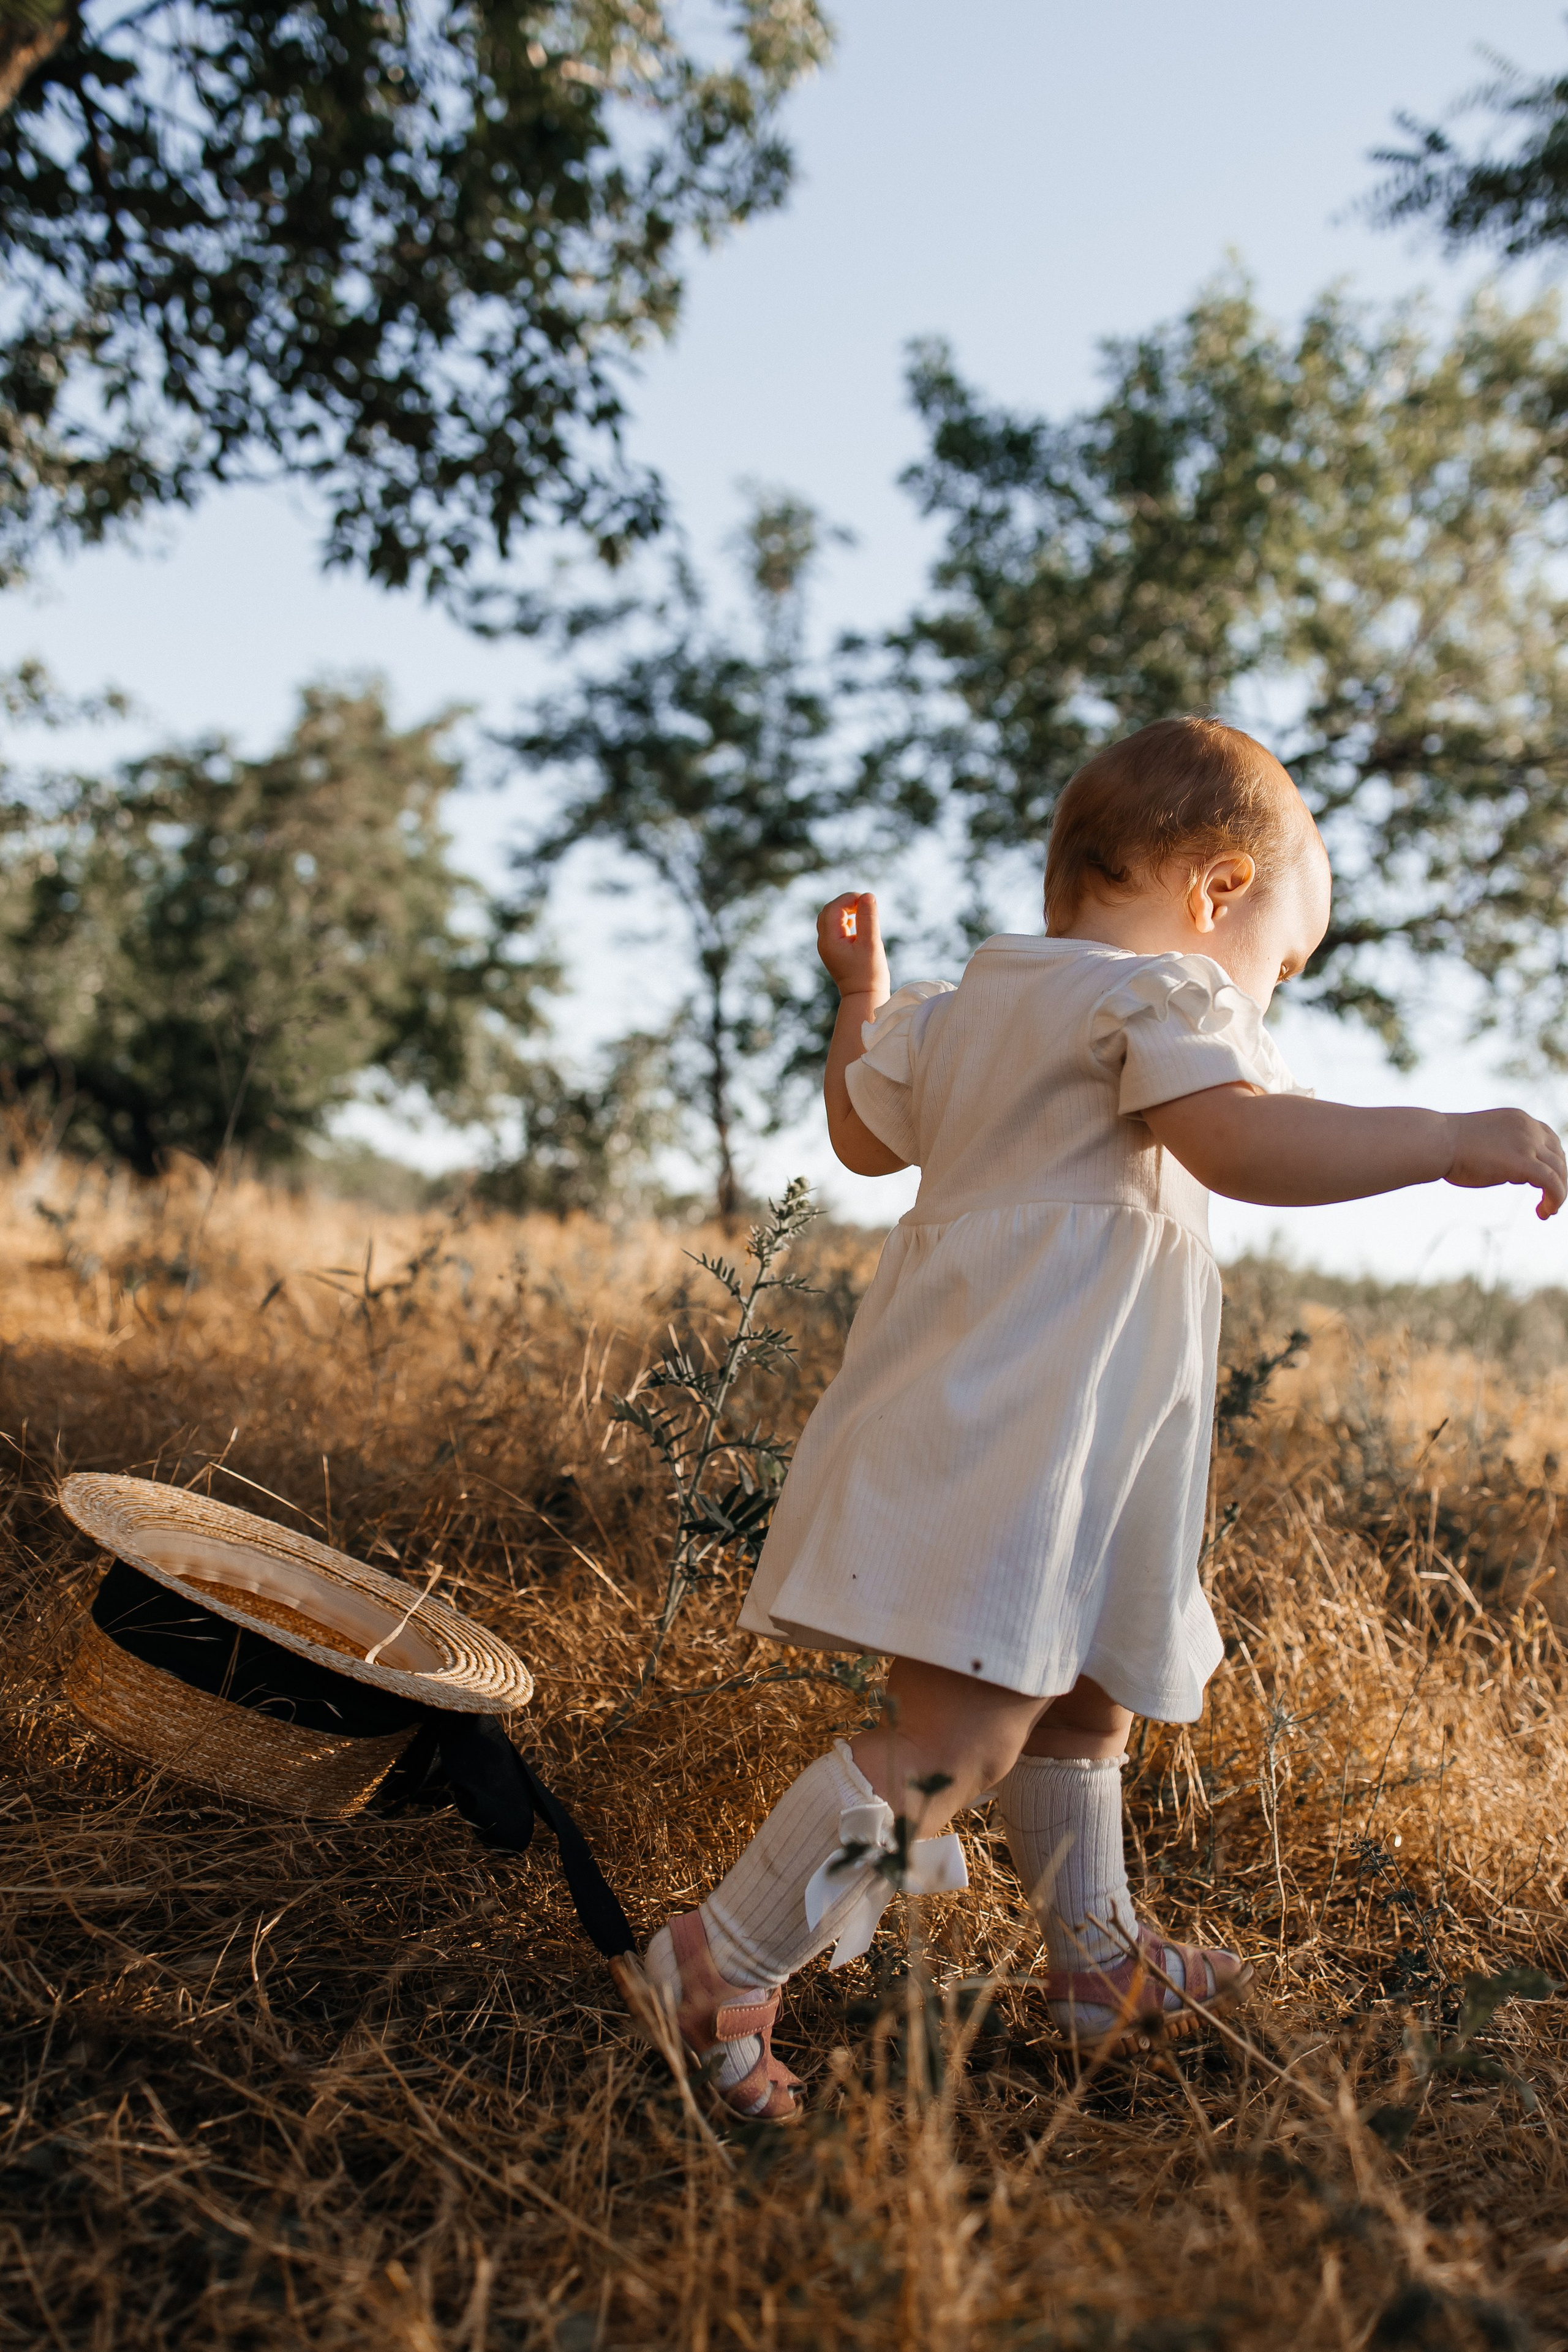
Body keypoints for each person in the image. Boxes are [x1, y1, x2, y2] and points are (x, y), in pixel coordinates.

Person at [627, 715, 1566, 2122]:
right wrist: (1440, 1140)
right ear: (1219, 892)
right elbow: (1242, 1143)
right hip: (1025, 1436)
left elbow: (861, 1135)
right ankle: (722, 1958)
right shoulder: (1157, 995)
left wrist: (860, 1001)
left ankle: (1096, 1963)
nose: (1262, 1002)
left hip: (1021, 1425)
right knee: (953, 1751)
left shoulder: (962, 1010)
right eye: (1282, 967)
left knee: (1079, 1702)